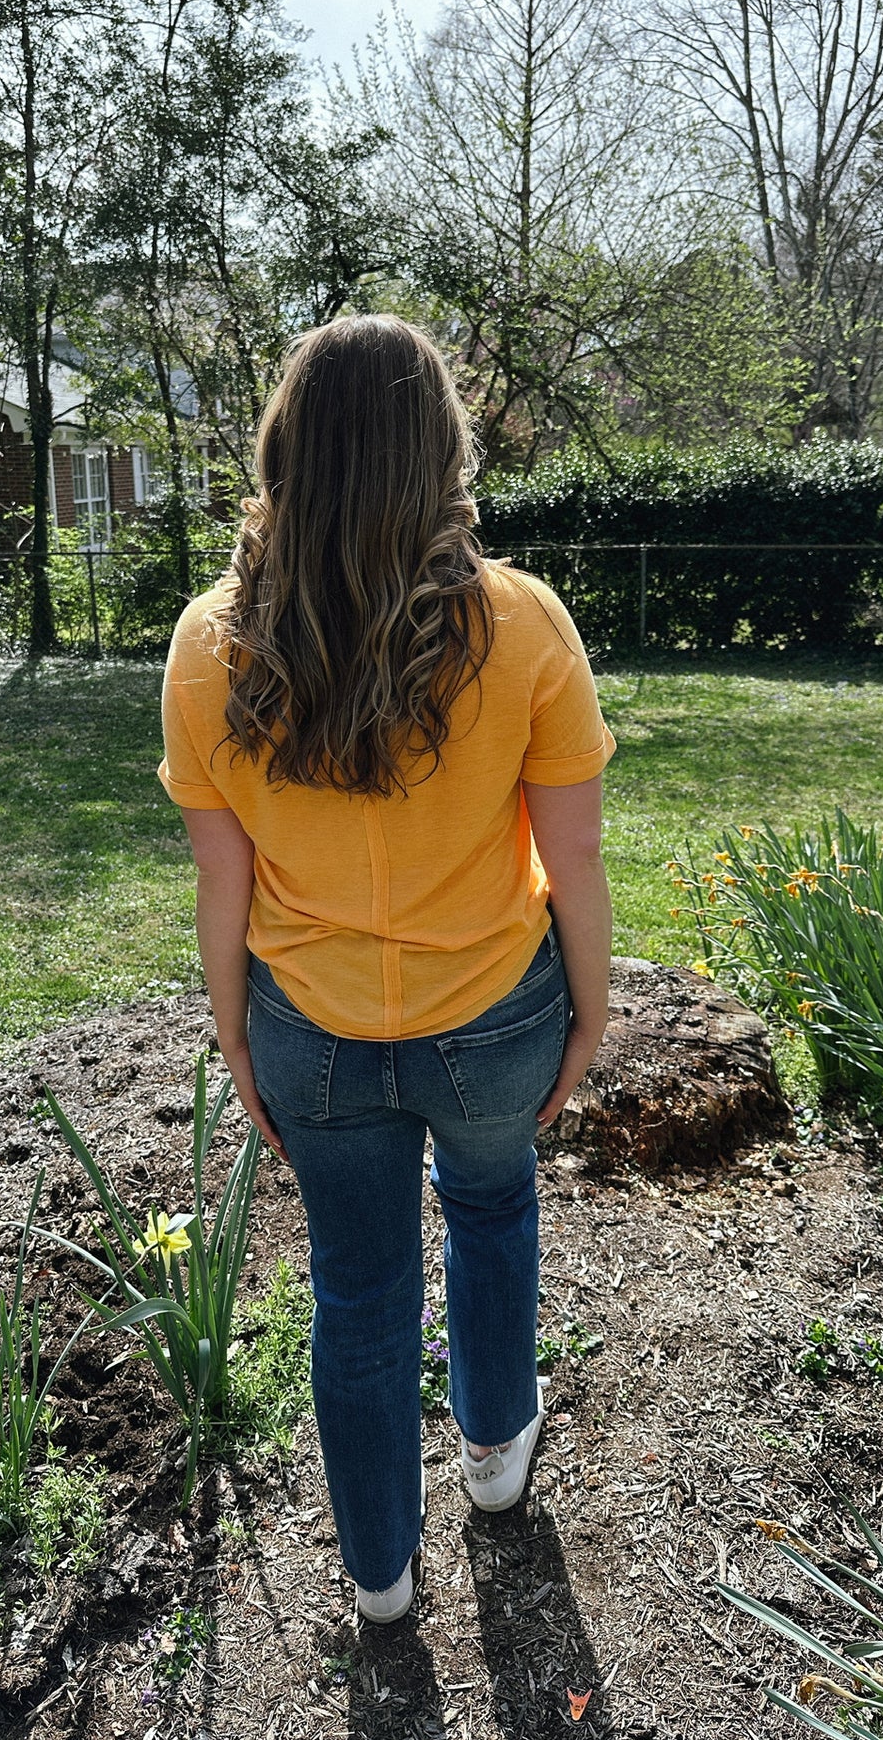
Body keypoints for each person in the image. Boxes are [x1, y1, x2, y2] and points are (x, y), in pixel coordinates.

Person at [158, 314, 615, 1624]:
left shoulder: (208, 643)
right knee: (490, 1212)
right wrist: (588, 1011)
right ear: (442, 453)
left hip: (313, 1031)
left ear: (285, 449)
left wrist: (239, 1039)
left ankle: (375, 1576)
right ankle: (493, 1453)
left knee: (355, 1285)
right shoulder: (523, 624)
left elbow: (221, 879)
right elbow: (571, 863)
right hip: (494, 1019)